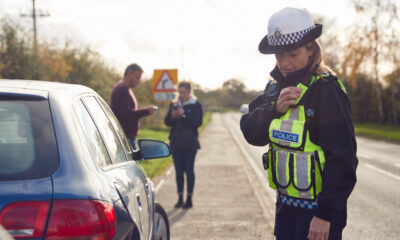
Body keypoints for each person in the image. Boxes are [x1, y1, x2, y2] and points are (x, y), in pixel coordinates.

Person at [240, 7, 358, 240]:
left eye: (292, 54)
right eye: (279, 55)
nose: (285, 63)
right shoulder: (274, 88)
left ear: (311, 48)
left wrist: (325, 216)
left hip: (318, 216)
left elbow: (343, 159)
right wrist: (274, 110)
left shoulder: (326, 90)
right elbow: (250, 132)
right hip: (285, 209)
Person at [164, 82, 203, 209]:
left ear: (190, 92)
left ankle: (189, 198)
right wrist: (173, 115)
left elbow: (197, 123)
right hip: (176, 142)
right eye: (180, 92)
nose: (181, 95)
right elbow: (167, 122)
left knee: (189, 170)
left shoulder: (195, 105)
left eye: (184, 92)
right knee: (179, 171)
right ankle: (180, 197)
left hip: (190, 142)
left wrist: (184, 115)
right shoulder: (174, 104)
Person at [110, 63, 157, 149]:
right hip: (125, 137)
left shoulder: (126, 89)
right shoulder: (122, 89)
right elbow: (125, 114)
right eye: (137, 77)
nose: (139, 81)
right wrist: (146, 111)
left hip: (126, 137)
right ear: (129, 74)